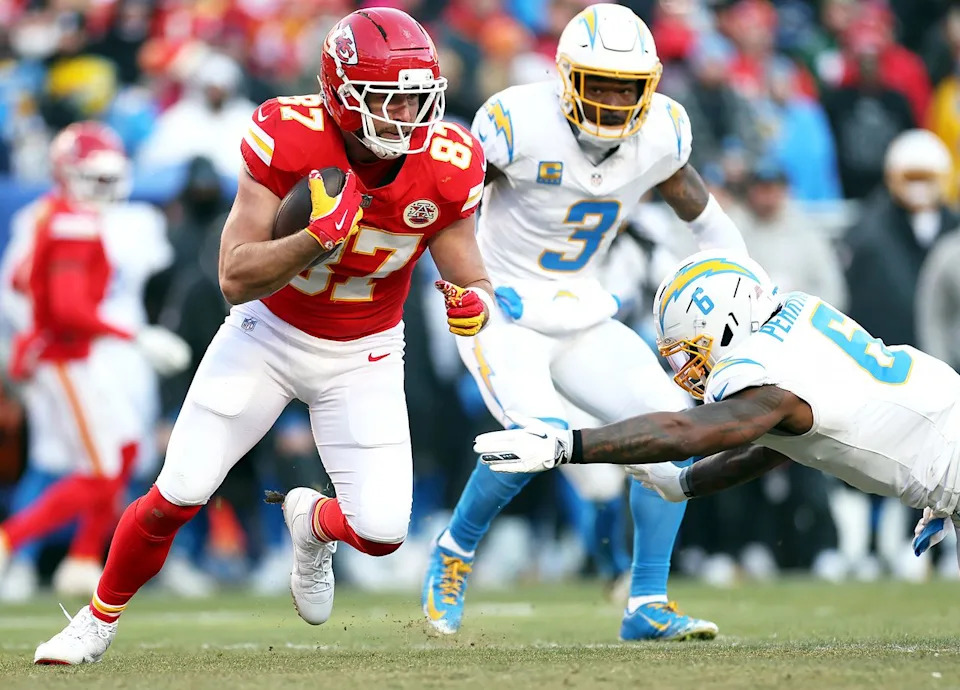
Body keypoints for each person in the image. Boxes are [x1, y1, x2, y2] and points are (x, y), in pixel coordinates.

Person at [34, 8, 492, 666]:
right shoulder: (289, 133)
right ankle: (96, 620)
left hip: (365, 354)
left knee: (385, 531)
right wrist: (313, 240)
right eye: (388, 97)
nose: (406, 114)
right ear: (340, 94)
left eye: (417, 97)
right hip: (268, 335)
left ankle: (310, 521)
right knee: (180, 491)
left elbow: (465, 268)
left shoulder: (448, 161)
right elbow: (234, 275)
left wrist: (471, 300)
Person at [423, 3, 747, 641]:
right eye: (596, 81)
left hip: (583, 307)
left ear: (648, 87)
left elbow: (705, 220)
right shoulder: (515, 122)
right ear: (565, 75)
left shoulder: (662, 134)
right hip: (504, 308)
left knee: (673, 434)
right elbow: (450, 210)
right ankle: (453, 554)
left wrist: (748, 286)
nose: (609, 98)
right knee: (539, 435)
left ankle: (645, 602)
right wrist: (474, 288)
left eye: (624, 86)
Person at [472, 250, 960, 576]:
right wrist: (684, 484)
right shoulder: (799, 315)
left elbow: (688, 431)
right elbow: (780, 444)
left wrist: (566, 446)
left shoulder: (761, 371)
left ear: (724, 321)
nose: (687, 368)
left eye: (689, 349)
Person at [0, 122, 188, 594]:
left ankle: (83, 558)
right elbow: (43, 299)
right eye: (94, 177)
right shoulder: (62, 219)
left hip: (102, 351)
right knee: (84, 466)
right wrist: (132, 334)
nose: (105, 188)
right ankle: (14, 549)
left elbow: (30, 282)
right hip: (73, 351)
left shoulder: (92, 217)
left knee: (122, 457)